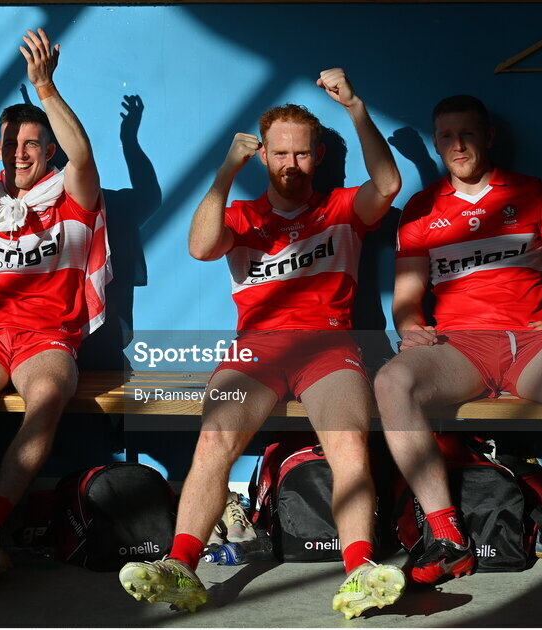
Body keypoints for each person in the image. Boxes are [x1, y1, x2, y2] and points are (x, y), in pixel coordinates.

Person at [119, 69, 404, 618]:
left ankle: (360, 572)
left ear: (316, 156)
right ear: (264, 156)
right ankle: (181, 567)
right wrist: (227, 170)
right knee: (214, 439)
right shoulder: (244, 217)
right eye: (279, 154)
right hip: (256, 351)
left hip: (329, 349)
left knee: (348, 443)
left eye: (300, 154)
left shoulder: (341, 209)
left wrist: (356, 109)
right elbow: (201, 246)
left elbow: (388, 186)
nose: (290, 165)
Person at [375, 94, 542, 588]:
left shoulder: (532, 193)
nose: (458, 145)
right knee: (392, 382)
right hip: (459, 347)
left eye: (468, 134)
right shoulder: (421, 208)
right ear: (436, 143)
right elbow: (407, 298)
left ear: (488, 137)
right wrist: (411, 329)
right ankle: (447, 539)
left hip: (529, 345)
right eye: (447, 136)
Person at [0, 29, 106, 592]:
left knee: (48, 399)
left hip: (46, 337)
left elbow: (83, 157)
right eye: (10, 144)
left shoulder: (70, 195)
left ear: (47, 150)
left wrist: (46, 88)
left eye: (32, 144)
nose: (19, 154)